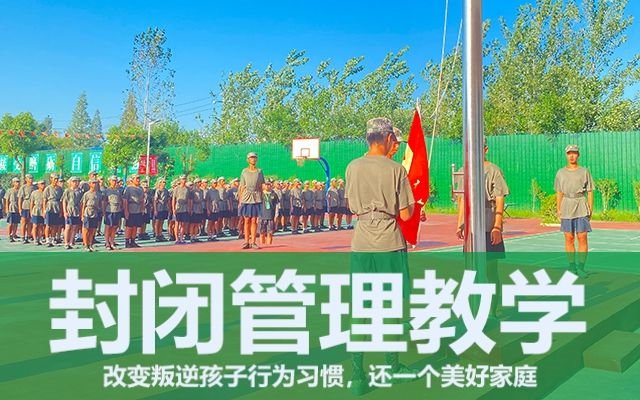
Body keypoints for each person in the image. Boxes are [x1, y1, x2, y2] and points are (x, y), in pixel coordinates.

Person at [345, 117, 416, 394]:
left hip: (362, 243)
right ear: (387, 138)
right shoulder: (396, 169)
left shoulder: (352, 167)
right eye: (394, 140)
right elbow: (406, 214)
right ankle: (392, 366)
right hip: (389, 242)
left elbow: (351, 206)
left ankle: (357, 375)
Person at [456, 139, 509, 318]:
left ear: (485, 149)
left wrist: (497, 226)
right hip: (471, 228)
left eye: (479, 148)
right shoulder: (464, 170)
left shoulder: (494, 170)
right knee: (471, 269)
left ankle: (492, 309)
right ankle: (473, 308)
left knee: (490, 270)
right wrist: (460, 223)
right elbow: (462, 200)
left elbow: (500, 199)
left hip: (488, 224)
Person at [555, 144, 594, 278]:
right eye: (569, 153)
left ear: (578, 155)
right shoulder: (560, 173)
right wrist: (558, 208)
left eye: (574, 153)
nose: (571, 156)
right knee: (569, 237)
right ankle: (572, 267)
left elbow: (590, 191)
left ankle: (581, 267)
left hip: (581, 205)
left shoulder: (584, 171)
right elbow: (559, 192)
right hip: (566, 205)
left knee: (582, 237)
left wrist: (590, 209)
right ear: (566, 155)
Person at [238, 152, 265, 249]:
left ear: (256, 159)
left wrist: (262, 198)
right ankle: (246, 242)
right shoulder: (244, 171)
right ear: (248, 160)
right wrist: (240, 200)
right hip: (246, 198)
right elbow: (241, 186)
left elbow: (261, 186)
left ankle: (253, 242)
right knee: (246, 220)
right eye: (251, 157)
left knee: (254, 220)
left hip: (256, 197)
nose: (253, 159)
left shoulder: (259, 171)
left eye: (254, 157)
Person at [122, 175, 145, 248]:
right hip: (131, 209)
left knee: (135, 226)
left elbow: (142, 199)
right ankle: (127, 241)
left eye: (139, 178)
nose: (138, 180)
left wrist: (142, 208)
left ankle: (133, 241)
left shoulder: (140, 188)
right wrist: (126, 211)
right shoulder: (128, 188)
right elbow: (125, 200)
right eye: (136, 178)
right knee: (129, 226)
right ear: (132, 180)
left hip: (138, 209)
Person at [62, 177, 83, 249]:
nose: (75, 183)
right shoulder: (67, 191)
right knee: (68, 227)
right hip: (69, 209)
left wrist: (80, 211)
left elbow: (81, 202)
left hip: (76, 210)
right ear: (70, 182)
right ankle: (66, 242)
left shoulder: (80, 191)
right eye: (74, 181)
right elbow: (64, 201)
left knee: (74, 227)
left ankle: (71, 241)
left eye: (77, 181)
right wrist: (65, 211)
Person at [43, 173, 64, 247]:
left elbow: (61, 201)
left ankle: (52, 238)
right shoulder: (48, 188)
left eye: (57, 179)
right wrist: (44, 210)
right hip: (50, 207)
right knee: (48, 225)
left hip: (57, 207)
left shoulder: (60, 189)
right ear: (51, 179)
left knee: (55, 225)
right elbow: (44, 200)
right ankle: (47, 239)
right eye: (54, 179)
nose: (56, 180)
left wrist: (61, 211)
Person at [81, 179, 101, 252]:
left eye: (95, 183)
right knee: (86, 229)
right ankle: (86, 244)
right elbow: (83, 205)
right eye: (93, 183)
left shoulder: (98, 194)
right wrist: (82, 215)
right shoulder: (86, 194)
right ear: (90, 184)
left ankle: (90, 244)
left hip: (95, 212)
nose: (94, 184)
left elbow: (99, 203)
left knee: (92, 230)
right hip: (87, 212)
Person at [103, 176, 123, 250]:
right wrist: (104, 211)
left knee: (114, 227)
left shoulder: (118, 191)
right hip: (109, 210)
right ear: (110, 181)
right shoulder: (107, 190)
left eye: (116, 181)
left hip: (117, 210)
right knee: (108, 227)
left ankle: (112, 241)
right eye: (113, 181)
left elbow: (120, 200)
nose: (115, 182)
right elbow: (104, 201)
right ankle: (107, 243)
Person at [172, 175, 191, 244]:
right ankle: (177, 238)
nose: (184, 180)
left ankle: (181, 238)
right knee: (177, 223)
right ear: (180, 180)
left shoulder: (187, 189)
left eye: (185, 179)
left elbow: (188, 199)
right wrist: (173, 209)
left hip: (185, 208)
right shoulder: (176, 188)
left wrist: (189, 208)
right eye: (182, 179)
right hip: (178, 208)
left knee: (183, 224)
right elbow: (174, 199)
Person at [259, 180, 279, 246]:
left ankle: (269, 245)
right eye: (266, 185)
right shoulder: (261, 194)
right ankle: (262, 245)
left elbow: (277, 205)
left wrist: (276, 214)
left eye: (269, 185)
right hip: (262, 216)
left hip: (271, 216)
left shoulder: (274, 194)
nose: (267, 186)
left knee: (270, 232)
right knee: (262, 232)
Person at [17, 174, 36, 243]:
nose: (31, 179)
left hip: (33, 206)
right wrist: (20, 208)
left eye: (32, 178)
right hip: (25, 205)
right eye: (29, 178)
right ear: (26, 179)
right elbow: (20, 199)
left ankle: (28, 236)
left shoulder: (35, 187)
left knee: (30, 222)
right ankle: (23, 236)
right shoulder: (23, 187)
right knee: (24, 222)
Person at [153, 178, 170, 242]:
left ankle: (160, 234)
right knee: (158, 222)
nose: (164, 183)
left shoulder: (166, 190)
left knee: (162, 221)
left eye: (165, 182)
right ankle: (157, 234)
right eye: (163, 182)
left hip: (164, 208)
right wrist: (155, 209)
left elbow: (168, 199)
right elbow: (155, 200)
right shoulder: (158, 190)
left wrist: (168, 208)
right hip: (159, 207)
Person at [4, 177, 21, 242]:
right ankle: (9, 235)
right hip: (11, 208)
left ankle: (14, 234)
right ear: (13, 183)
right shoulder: (9, 190)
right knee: (10, 223)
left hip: (17, 208)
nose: (18, 183)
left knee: (16, 223)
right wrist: (6, 209)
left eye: (18, 181)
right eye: (16, 182)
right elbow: (7, 200)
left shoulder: (20, 190)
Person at [30, 180, 46, 245]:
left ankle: (39, 238)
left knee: (41, 226)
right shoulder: (34, 193)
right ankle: (35, 239)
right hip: (36, 210)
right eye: (41, 184)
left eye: (44, 183)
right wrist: (31, 211)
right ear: (38, 185)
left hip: (43, 210)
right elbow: (31, 203)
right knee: (35, 225)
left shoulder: (46, 192)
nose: (43, 185)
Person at [190, 178, 206, 243]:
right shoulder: (192, 191)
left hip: (199, 208)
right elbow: (191, 201)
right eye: (198, 182)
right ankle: (192, 237)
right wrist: (191, 209)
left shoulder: (201, 191)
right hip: (194, 208)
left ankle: (195, 237)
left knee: (197, 223)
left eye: (200, 182)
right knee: (193, 224)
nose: (200, 183)